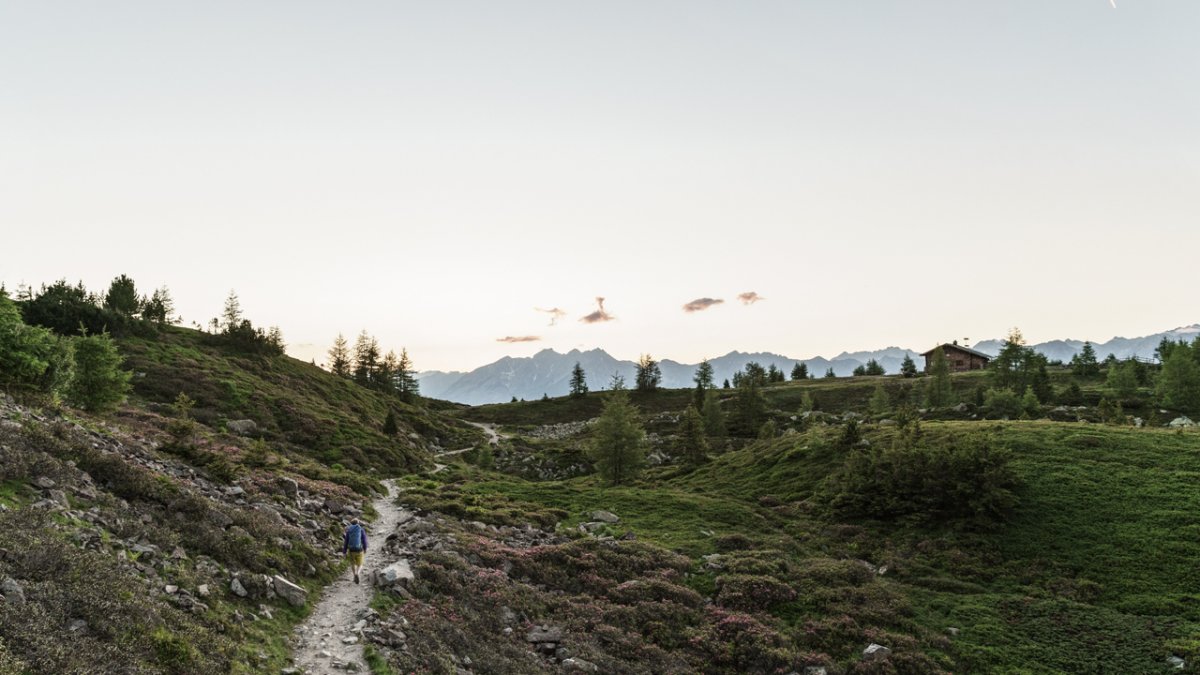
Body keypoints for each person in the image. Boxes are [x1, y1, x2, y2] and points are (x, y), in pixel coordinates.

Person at [342, 518, 368, 584]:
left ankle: (354, 576)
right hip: (359, 550)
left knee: (352, 563)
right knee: (360, 564)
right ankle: (357, 573)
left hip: (351, 550)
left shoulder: (349, 530)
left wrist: (344, 552)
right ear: (358, 523)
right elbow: (364, 540)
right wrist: (365, 548)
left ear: (351, 524)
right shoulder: (361, 529)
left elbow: (346, 542)